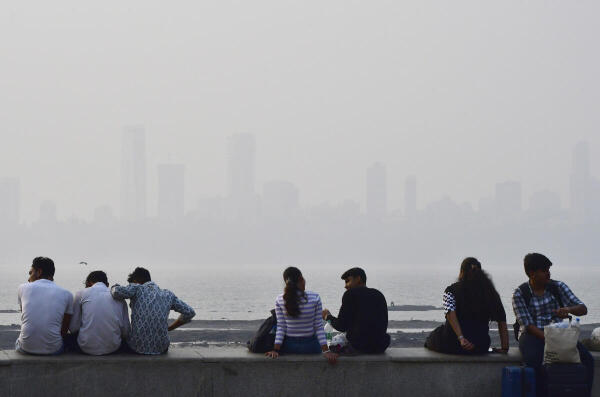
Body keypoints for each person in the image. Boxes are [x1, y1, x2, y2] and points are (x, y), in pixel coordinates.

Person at [512, 253, 594, 397]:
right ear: (532, 273)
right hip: (533, 335)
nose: (548, 274)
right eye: (544, 271)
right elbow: (527, 325)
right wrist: (550, 340)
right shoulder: (520, 294)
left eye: (548, 270)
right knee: (536, 362)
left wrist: (568, 310)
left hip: (558, 333)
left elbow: (583, 309)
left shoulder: (558, 287)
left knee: (587, 359)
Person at [425, 257, 509, 355]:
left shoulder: (450, 290)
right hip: (480, 346)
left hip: (453, 344)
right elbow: (502, 320)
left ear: (461, 272)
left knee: (432, 337)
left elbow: (450, 314)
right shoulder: (491, 293)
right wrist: (504, 347)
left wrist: (461, 339)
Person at [110, 267, 195, 355]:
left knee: (119, 340)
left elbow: (116, 292)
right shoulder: (168, 294)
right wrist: (170, 328)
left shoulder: (137, 288)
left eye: (132, 283)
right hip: (162, 348)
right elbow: (189, 312)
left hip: (136, 347)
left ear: (137, 281)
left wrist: (114, 286)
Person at [265, 267, 338, 364]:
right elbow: (318, 327)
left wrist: (276, 350)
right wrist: (326, 351)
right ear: (301, 279)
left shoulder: (280, 299)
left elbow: (281, 327)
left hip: (289, 347)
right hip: (311, 347)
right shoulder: (315, 297)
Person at [322, 267, 390, 354]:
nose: (345, 286)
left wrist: (327, 316)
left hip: (359, 347)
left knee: (334, 346)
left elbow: (341, 326)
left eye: (348, 281)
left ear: (358, 279)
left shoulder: (350, 294)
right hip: (379, 347)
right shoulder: (378, 294)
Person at [15, 257, 73, 355]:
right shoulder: (67, 294)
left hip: (26, 348)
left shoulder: (22, 288)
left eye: (30, 273)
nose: (28, 278)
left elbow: (24, 316)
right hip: (53, 349)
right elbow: (64, 329)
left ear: (39, 272)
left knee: (19, 340)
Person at [68, 270, 130, 355]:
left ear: (88, 284)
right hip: (113, 347)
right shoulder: (120, 298)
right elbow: (126, 332)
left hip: (86, 347)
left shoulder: (80, 294)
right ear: (107, 285)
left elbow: (73, 328)